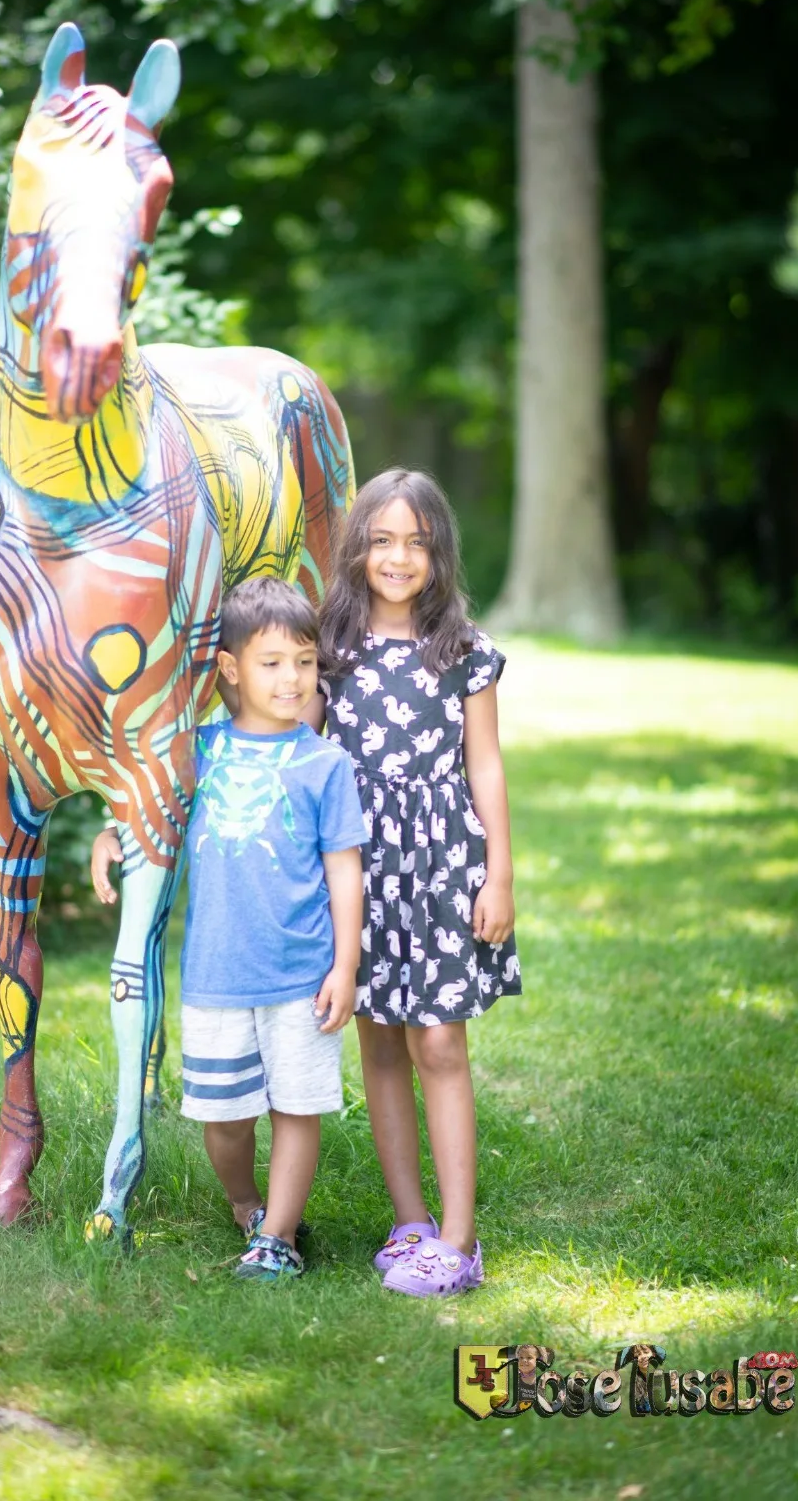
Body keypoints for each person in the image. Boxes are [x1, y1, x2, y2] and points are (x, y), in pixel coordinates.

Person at [91, 578, 367, 1281]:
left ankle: (278, 1237)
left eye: (304, 662)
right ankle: (248, 1203)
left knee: (296, 1109)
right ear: (232, 669)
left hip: (301, 973)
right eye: (272, 662)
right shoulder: (201, 751)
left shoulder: (325, 764)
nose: (292, 677)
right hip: (215, 974)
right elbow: (150, 814)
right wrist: (110, 835)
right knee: (225, 1120)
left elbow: (344, 871)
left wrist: (345, 965)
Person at [308, 467, 521, 1297]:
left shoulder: (462, 650)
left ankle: (461, 1241)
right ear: (358, 546)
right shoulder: (330, 644)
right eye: (383, 541)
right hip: (359, 867)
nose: (398, 558)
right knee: (381, 1039)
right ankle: (411, 1222)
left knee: (438, 1039)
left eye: (417, 544)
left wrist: (498, 875)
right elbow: (308, 758)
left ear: (440, 554)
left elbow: (487, 766)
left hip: (441, 865)